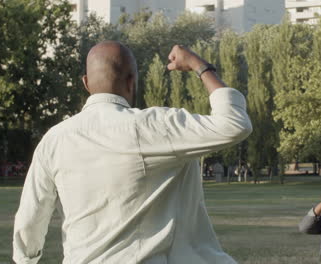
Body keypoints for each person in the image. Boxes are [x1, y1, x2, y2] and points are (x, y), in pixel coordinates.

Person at [13, 41, 252, 264]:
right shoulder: (155, 126)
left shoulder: (54, 140)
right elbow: (234, 123)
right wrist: (201, 66)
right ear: (131, 82)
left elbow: (29, 221)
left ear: (86, 83)